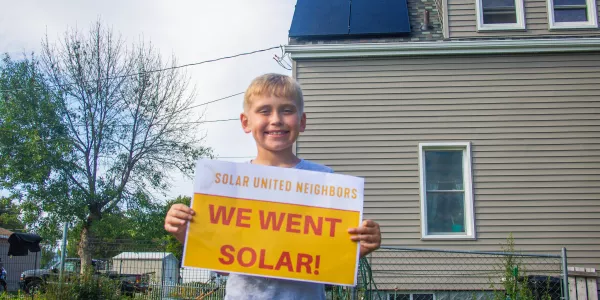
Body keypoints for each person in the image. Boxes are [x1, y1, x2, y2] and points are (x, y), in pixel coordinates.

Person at [164, 73, 382, 300]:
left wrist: (357, 249)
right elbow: (222, 264)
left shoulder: (325, 180)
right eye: (264, 110)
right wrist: (185, 233)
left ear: (302, 121)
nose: (276, 119)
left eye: (287, 110)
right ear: (246, 122)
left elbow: (326, 262)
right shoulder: (227, 183)